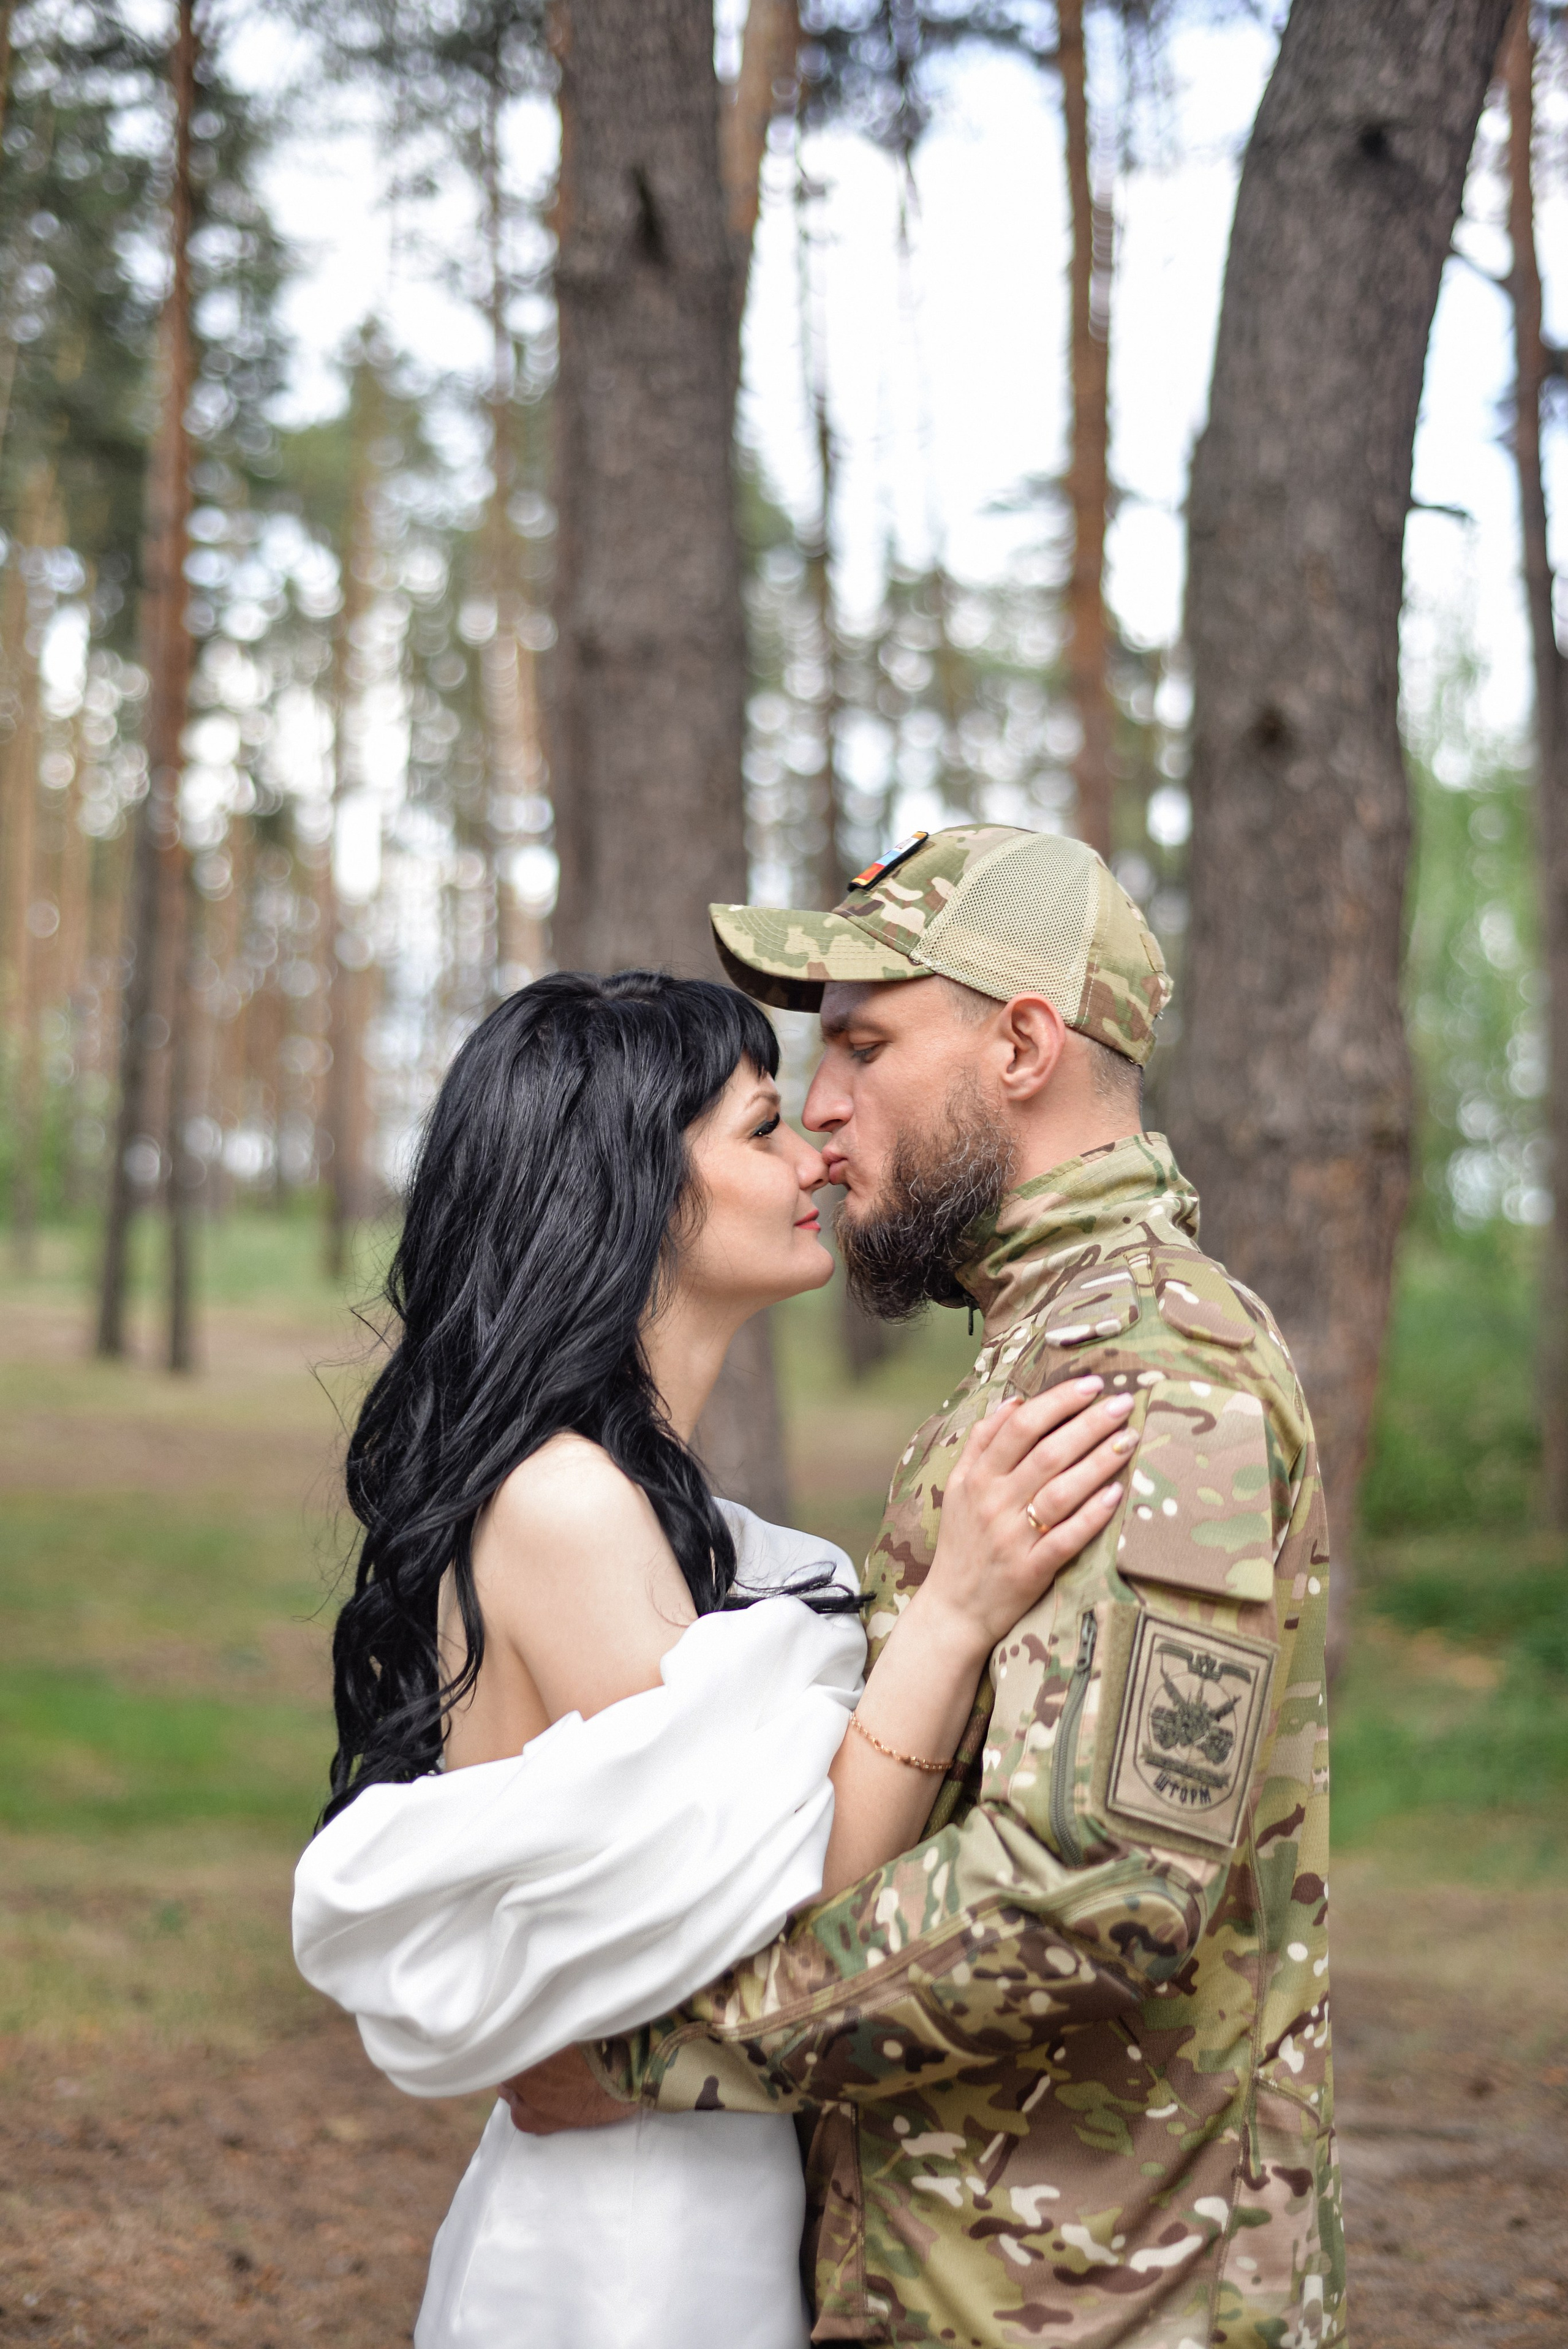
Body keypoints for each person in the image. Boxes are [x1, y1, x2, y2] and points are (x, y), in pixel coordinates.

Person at [504, 827, 1344, 2349]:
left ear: (1022, 1043)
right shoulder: (1049, 1343)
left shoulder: (1153, 1371)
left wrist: (654, 2052)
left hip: (1100, 2301)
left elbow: (1094, 1894)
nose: (819, 1106)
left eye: (867, 1043)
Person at [293, 966, 1133, 2349]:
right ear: (634, 1185)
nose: (813, 1148)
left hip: (697, 2185)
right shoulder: (560, 1505)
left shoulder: (658, 1513)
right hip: (629, 2252)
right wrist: (957, 1608)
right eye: (757, 1128)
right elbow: (791, 1891)